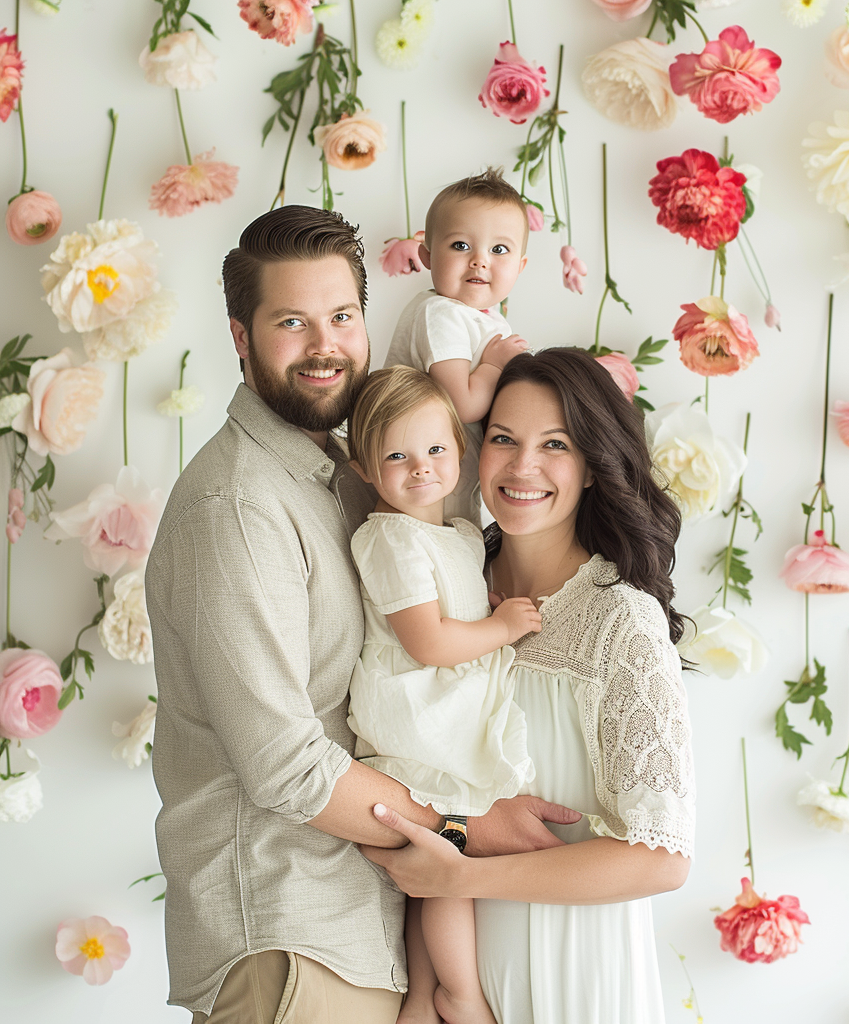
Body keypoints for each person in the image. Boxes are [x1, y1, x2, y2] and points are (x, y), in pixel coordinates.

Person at [145, 206, 580, 1024]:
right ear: (240, 336)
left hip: (357, 925)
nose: (325, 346)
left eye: (342, 317)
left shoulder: (352, 480)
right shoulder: (238, 505)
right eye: (291, 322)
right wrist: (464, 825)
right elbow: (285, 765)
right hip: (288, 937)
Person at [362, 347, 696, 1024]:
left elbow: (661, 858)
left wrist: (464, 874)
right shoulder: (440, 584)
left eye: (555, 445)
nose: (522, 467)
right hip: (447, 974)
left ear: (593, 466)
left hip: (574, 974)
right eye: (504, 440)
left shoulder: (618, 618)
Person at [347, 365, 541, 1024]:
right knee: (449, 856)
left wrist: (485, 620)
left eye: (434, 449)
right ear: (365, 466)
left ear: (459, 451)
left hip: (448, 705)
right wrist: (500, 626)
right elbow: (428, 641)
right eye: (396, 455)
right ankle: (459, 994)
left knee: (433, 867)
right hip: (418, 713)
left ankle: (423, 996)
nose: (420, 468)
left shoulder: (457, 535)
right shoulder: (388, 538)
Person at [384, 167, 531, 527]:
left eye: (499, 249)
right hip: (422, 481)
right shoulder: (441, 314)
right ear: (428, 256)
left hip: (453, 479)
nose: (480, 259)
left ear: (520, 266)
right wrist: (495, 366)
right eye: (461, 245)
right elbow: (463, 405)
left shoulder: (485, 318)